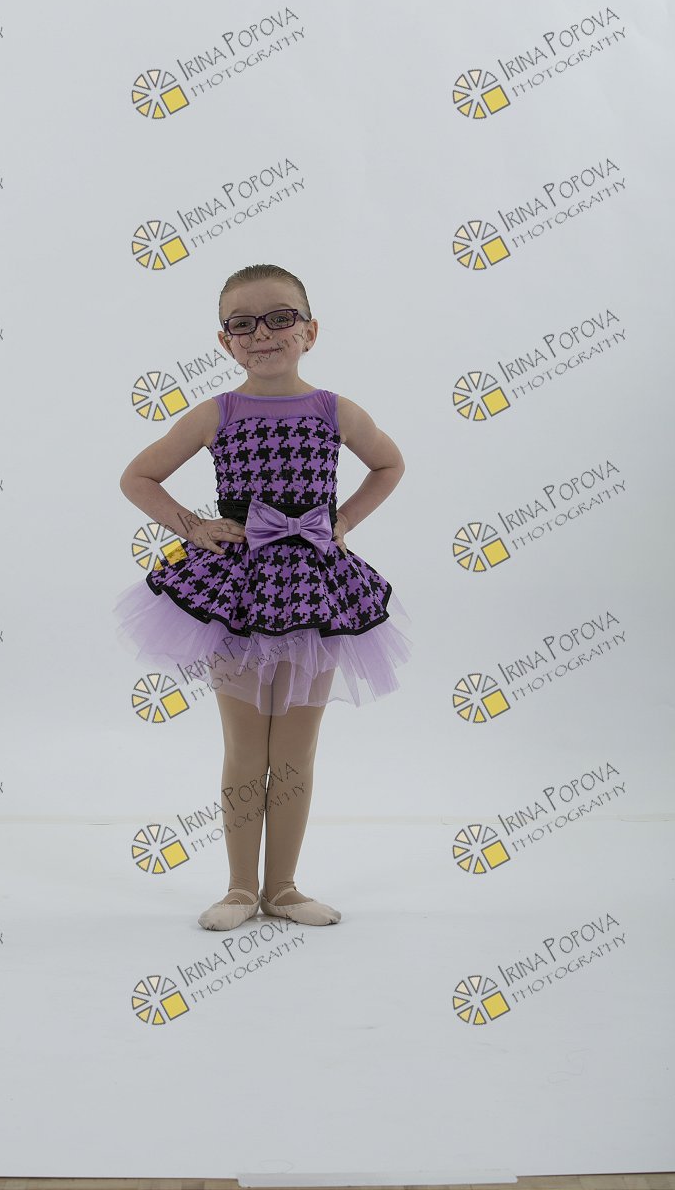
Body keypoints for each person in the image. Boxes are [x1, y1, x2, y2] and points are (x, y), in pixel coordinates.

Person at [114, 263, 413, 932]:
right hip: (236, 593)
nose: (263, 333)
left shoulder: (335, 410)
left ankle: (283, 887)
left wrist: (342, 521)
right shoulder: (217, 413)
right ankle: (239, 889)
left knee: (296, 750)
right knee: (246, 747)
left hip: (315, 592)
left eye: (280, 318)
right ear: (225, 342)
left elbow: (389, 463)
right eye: (242, 324)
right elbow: (139, 477)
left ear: (310, 331)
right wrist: (193, 527)